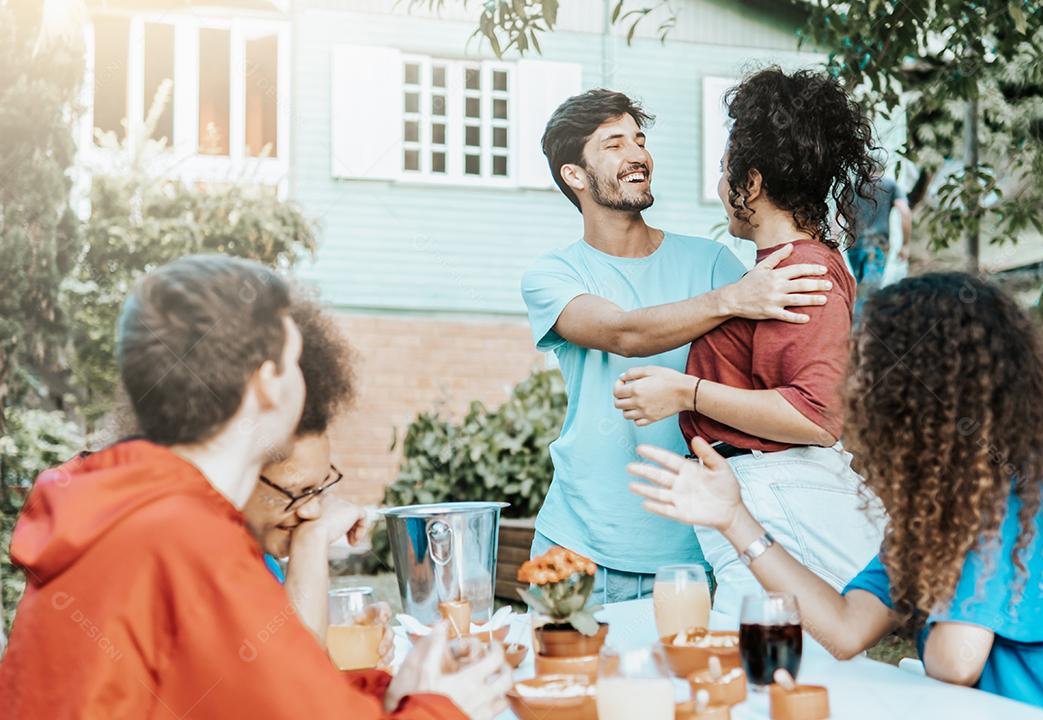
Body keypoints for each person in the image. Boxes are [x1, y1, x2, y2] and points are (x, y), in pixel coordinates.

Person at [0, 255, 510, 719]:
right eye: (295, 360)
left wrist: (389, 696)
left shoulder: (127, 507)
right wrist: (442, 708)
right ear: (268, 382)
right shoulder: (184, 538)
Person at [629, 272, 1043, 716]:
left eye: (868, 364)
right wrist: (733, 517)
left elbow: (955, 661)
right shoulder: (952, 496)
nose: (854, 383)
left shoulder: (1020, 486)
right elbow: (847, 628)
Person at [521, 89, 837, 603]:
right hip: (578, 545)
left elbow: (783, 381)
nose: (637, 154)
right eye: (614, 144)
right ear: (574, 175)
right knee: (562, 682)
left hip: (694, 553)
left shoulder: (710, 263)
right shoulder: (554, 275)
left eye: (640, 140)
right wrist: (732, 299)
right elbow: (623, 333)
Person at [614, 68, 885, 614]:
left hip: (779, 498)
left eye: (723, 173)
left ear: (752, 184)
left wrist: (686, 393)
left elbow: (816, 416)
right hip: (759, 495)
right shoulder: (776, 271)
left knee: (760, 669)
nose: (720, 189)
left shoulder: (802, 272)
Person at [242, 297, 391, 663]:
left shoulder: (263, 560)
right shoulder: (196, 560)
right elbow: (295, 673)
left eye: (321, 486)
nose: (312, 509)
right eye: (297, 492)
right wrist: (313, 538)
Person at [848, 174, 912, 320]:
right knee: (867, 294)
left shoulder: (852, 185)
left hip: (854, 244)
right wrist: (906, 244)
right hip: (877, 245)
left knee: (859, 291)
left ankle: (855, 331)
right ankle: (859, 335)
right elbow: (904, 211)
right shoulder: (890, 185)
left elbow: (840, 215)